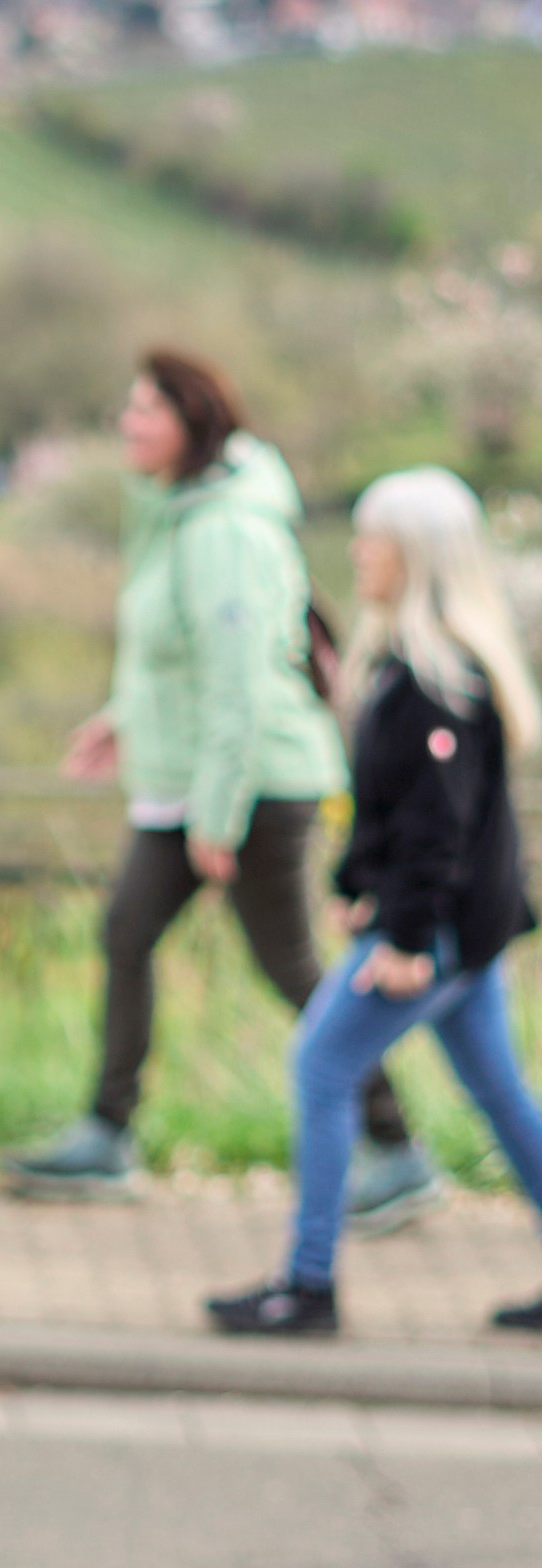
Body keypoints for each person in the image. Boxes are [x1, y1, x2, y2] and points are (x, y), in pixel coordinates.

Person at [1, 351, 436, 1230]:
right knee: (127, 933)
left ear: (190, 424)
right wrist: (122, 716)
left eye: (144, 411)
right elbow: (175, 652)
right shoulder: (178, 514)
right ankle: (107, 1132)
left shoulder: (225, 531)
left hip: (252, 785)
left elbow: (239, 680)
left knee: (290, 967)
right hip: (189, 778)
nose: (127, 425)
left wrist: (219, 814)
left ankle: (395, 1150)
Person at [209, 470, 542, 1335]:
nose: (359, 553)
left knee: (321, 1068)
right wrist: (358, 888)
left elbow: (441, 827)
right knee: (502, 1096)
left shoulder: (437, 682)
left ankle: (308, 1285)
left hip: (432, 935)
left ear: (417, 556)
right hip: (459, 932)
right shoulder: (421, 666)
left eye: (374, 539)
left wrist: (401, 932)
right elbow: (399, 816)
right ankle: (307, 1279)